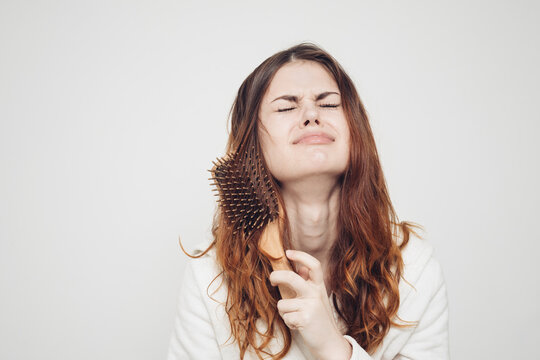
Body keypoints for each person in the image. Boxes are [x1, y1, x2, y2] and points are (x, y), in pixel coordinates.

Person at [167, 42, 449, 360]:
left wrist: (332, 347)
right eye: (286, 108)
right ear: (253, 146)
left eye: (328, 105)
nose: (311, 115)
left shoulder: (414, 272)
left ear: (356, 131)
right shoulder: (210, 283)